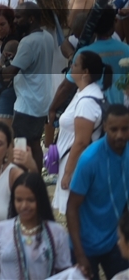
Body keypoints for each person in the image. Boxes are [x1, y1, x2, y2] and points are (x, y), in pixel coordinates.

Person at [67, 105, 129, 280]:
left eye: (125, 129)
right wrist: (79, 255)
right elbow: (72, 206)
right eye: (114, 129)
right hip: (85, 246)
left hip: (115, 242)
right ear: (105, 128)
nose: (120, 135)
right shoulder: (90, 159)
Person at [2, 2, 62, 172]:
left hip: (27, 104)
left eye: (19, 17)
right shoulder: (47, 37)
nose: (15, 20)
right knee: (34, 142)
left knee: (20, 144)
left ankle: (22, 177)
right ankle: (36, 176)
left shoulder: (28, 42)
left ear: (31, 19)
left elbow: (11, 72)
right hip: (42, 99)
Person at [0, 172, 72, 280]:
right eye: (19, 200)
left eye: (30, 200)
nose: (24, 206)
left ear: (40, 200)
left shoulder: (56, 233)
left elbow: (64, 272)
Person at [52, 51, 110, 215]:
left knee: (76, 214)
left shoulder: (87, 102)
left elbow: (81, 141)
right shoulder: (83, 93)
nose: (71, 66)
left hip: (77, 165)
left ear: (85, 72)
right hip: (75, 162)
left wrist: (68, 173)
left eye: (75, 64)